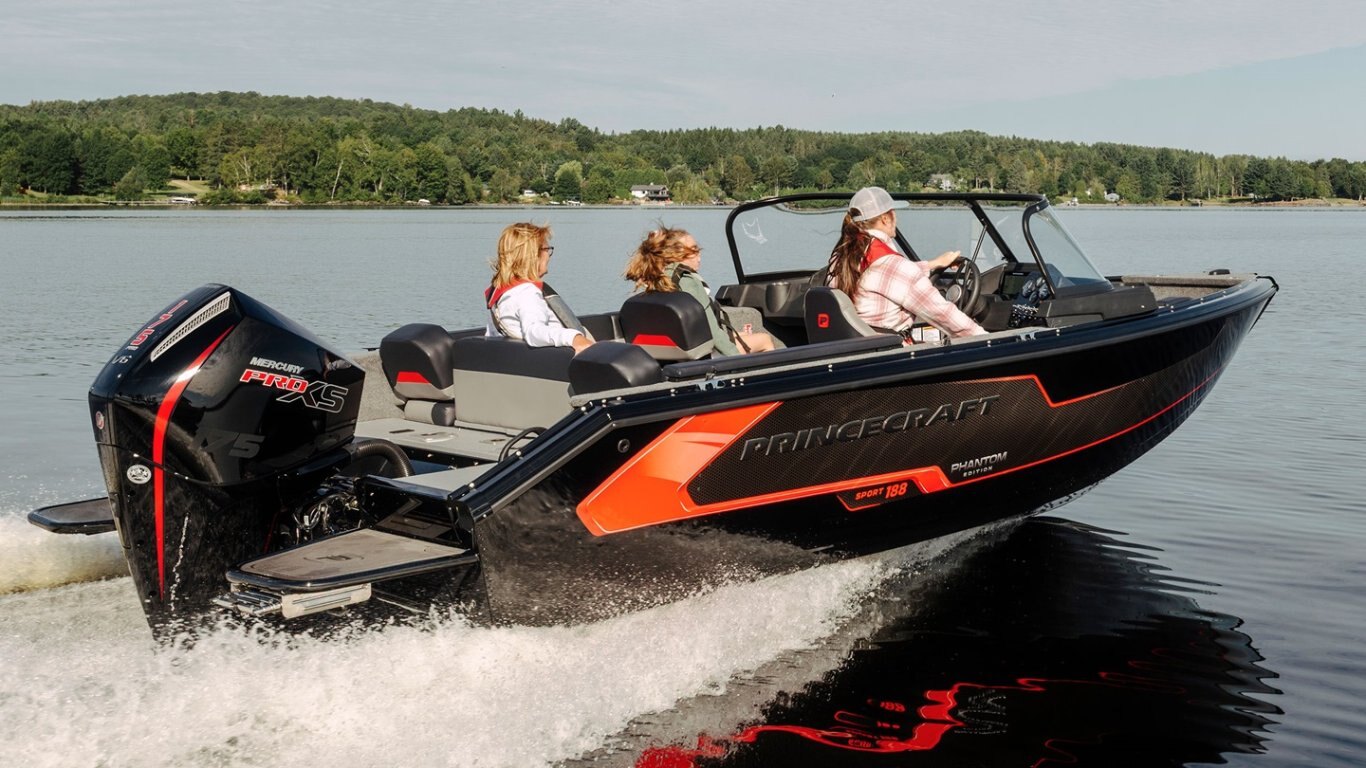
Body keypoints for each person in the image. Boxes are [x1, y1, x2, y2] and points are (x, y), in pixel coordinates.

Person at [826, 186, 985, 341]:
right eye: (893, 212)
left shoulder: (841, 257)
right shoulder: (893, 267)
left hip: (853, 346)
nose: (897, 217)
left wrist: (934, 264)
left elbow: (888, 276)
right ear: (885, 219)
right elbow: (943, 314)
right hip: (892, 351)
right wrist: (989, 339)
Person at [624, 227, 775, 355]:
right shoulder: (688, 281)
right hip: (705, 351)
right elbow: (713, 333)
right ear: (676, 255)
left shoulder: (656, 278)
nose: (699, 257)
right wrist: (735, 359)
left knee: (744, 334)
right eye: (694, 251)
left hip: (680, 348)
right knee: (765, 339)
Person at [484, 222, 593, 353]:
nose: (549, 256)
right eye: (547, 249)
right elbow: (534, 332)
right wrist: (574, 338)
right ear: (533, 255)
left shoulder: (500, 295)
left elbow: (491, 336)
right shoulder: (526, 293)